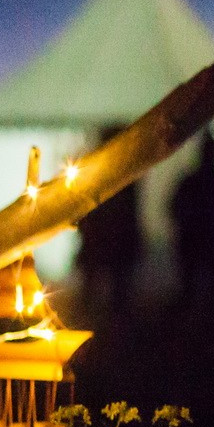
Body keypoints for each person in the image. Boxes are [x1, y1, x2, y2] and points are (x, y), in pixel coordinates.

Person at [75, 126, 143, 319]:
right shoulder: (120, 174)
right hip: (104, 239)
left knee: (115, 294)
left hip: (111, 240)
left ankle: (101, 326)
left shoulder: (125, 175)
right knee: (104, 292)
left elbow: (130, 211)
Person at [169, 132, 214, 322]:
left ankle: (195, 329)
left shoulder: (198, 182)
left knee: (197, 290)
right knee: (203, 292)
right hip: (203, 241)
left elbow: (176, 207)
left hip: (200, 241)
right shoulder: (210, 182)